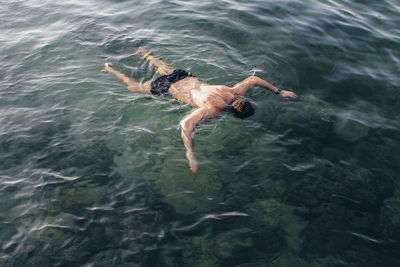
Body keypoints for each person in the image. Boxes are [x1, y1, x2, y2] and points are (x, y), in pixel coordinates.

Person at [102, 48, 297, 172]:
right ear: (235, 116)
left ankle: (144, 53)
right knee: (134, 87)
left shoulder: (233, 92)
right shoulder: (213, 110)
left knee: (163, 67)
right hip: (169, 88)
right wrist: (190, 154)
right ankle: (110, 69)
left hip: (184, 76)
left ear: (241, 100)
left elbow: (253, 79)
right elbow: (185, 125)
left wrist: (279, 92)